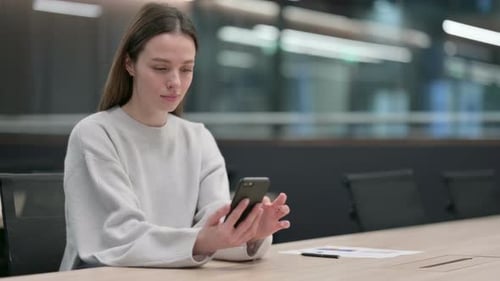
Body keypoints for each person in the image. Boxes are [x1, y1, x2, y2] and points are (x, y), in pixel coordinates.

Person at [59, 2, 290, 270]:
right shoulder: (96, 134)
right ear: (129, 64)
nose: (175, 83)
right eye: (160, 68)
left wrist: (248, 233)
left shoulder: (198, 138)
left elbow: (212, 231)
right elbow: (118, 238)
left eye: (186, 69)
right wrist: (205, 239)